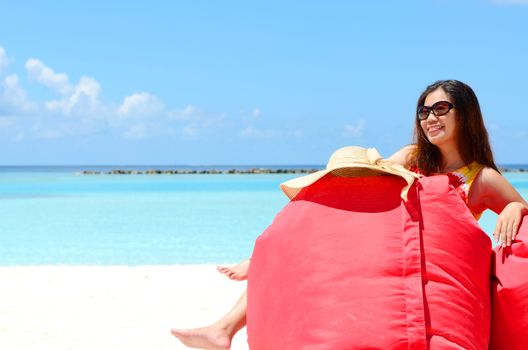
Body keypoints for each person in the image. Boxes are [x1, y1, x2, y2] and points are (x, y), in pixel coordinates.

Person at [170, 79, 528, 350]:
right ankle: (226, 326)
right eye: (423, 111)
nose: (429, 118)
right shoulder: (411, 157)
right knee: (295, 248)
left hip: (434, 274)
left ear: (465, 114)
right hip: (389, 253)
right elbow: (364, 188)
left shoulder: (482, 177)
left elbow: (523, 211)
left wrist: (512, 206)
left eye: (441, 109)